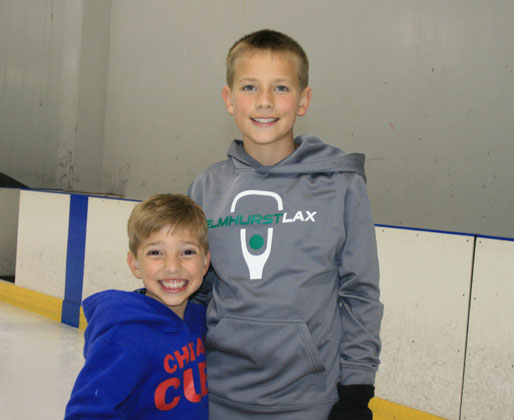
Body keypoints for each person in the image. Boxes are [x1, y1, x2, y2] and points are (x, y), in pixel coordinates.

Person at [187, 29, 383, 419]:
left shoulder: (342, 186)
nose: (264, 101)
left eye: (280, 88)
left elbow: (360, 294)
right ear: (228, 99)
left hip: (309, 402)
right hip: (217, 397)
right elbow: (195, 288)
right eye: (248, 87)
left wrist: (357, 391)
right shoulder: (206, 188)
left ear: (304, 99)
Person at [64, 194, 210, 420]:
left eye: (187, 252)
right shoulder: (124, 339)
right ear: (135, 265)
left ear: (205, 262)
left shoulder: (199, 319)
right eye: (155, 253)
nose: (172, 267)